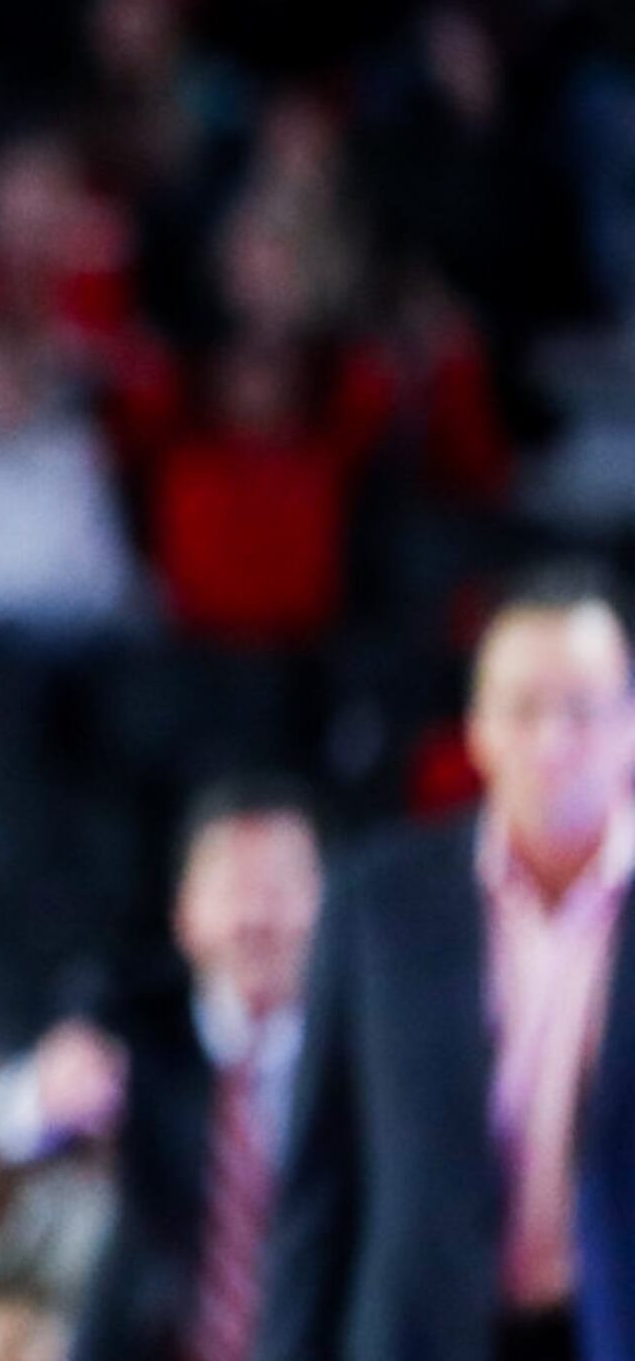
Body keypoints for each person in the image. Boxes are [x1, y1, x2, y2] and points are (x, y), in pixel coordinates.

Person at [262, 572, 635, 1361]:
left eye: (582, 709)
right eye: (523, 710)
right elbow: (320, 1186)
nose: (552, 741)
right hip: (421, 1335)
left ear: (630, 724)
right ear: (476, 729)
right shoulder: (377, 904)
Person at [0, 778, 324, 1361]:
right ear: (185, 912)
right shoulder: (128, 1020)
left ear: (328, 901)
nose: (254, 916)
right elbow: (4, 1127)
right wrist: (45, 1093)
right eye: (232, 889)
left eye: (278, 888)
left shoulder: (364, 1043)